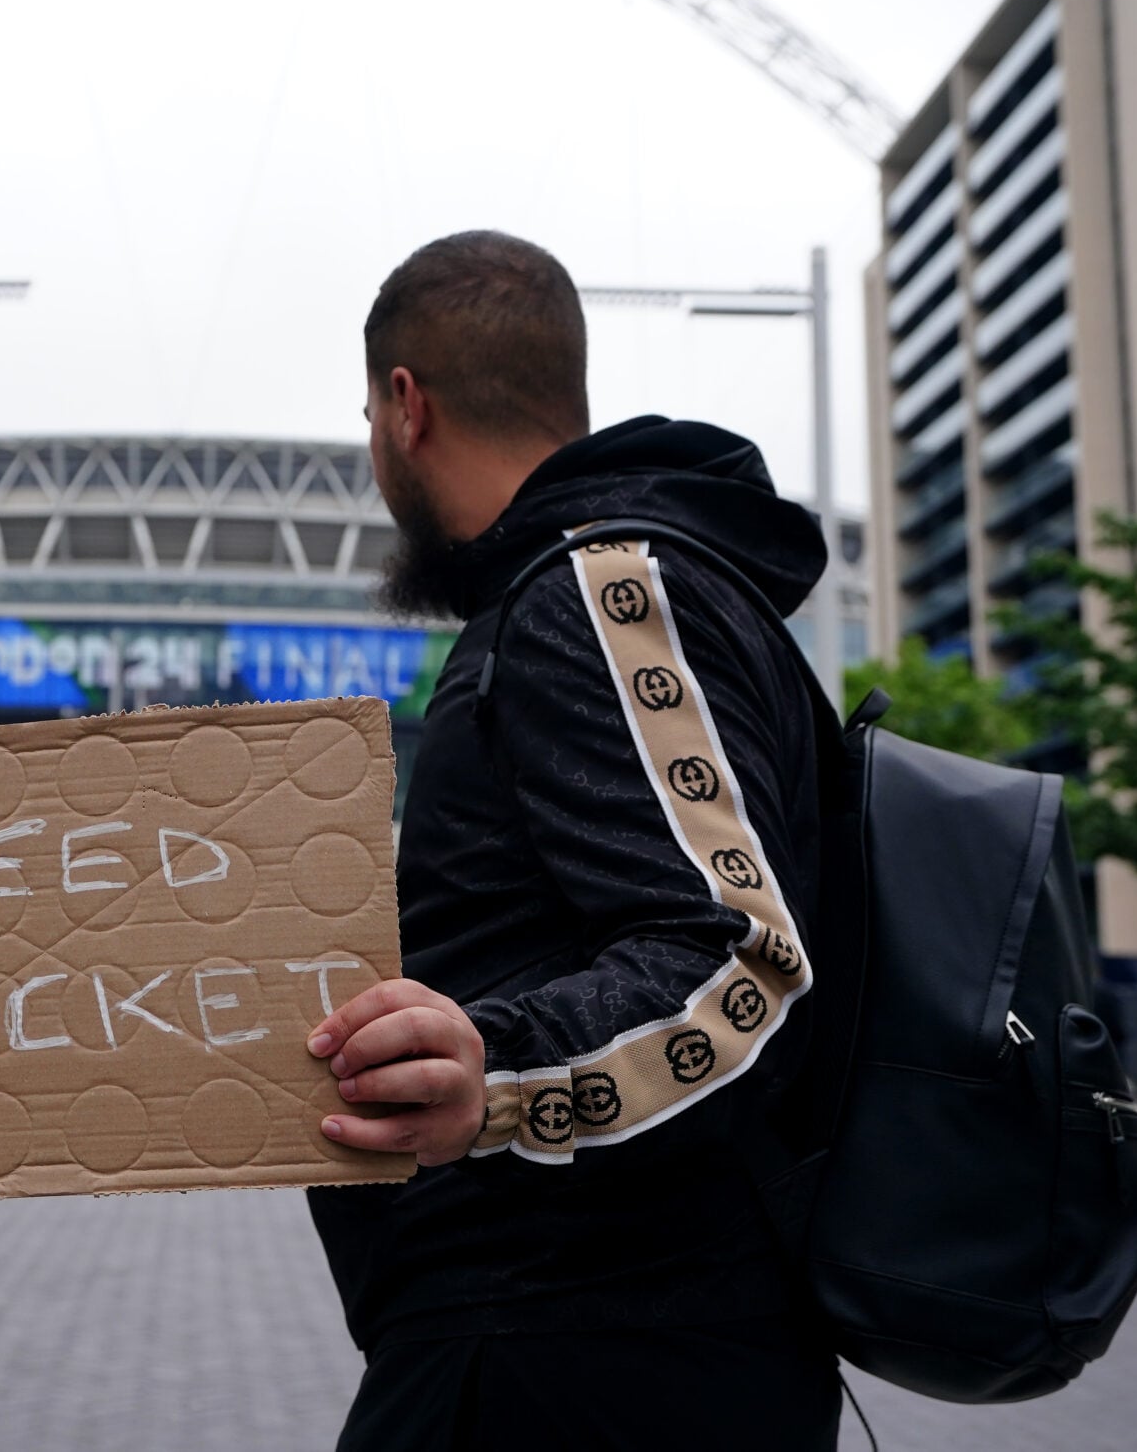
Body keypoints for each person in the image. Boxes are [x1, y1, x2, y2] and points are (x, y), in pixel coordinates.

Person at [305, 231, 840, 1449]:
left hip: (575, 1353)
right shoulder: (608, 593)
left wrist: (489, 1071)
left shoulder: (596, 593)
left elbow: (741, 967)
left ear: (403, 406)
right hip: (596, 1344)